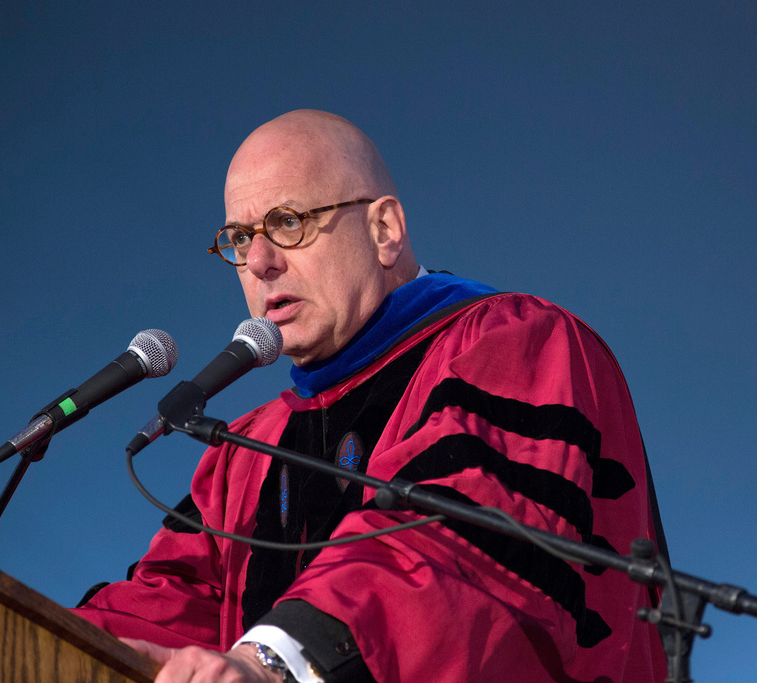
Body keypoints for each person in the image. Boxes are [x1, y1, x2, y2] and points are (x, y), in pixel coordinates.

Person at [75, 110, 669, 682]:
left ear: (384, 229)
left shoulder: (517, 343)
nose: (258, 262)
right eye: (238, 238)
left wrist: (275, 662)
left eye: (287, 222)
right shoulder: (244, 451)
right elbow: (169, 603)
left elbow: (457, 544)